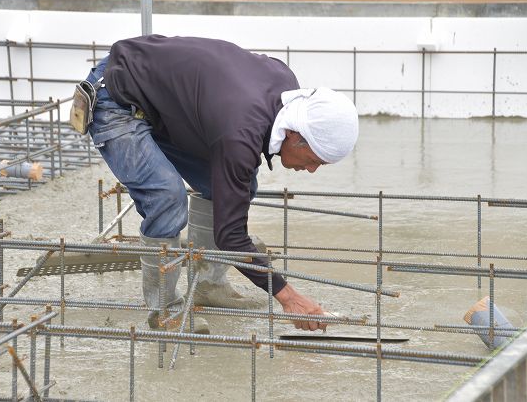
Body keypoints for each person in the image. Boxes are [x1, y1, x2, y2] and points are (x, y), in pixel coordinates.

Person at [83, 35, 358, 332]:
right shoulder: (240, 130)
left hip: (164, 103)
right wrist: (288, 297)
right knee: (166, 197)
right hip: (116, 96)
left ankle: (208, 286)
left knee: (236, 188)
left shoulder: (283, 85)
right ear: (294, 134)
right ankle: (165, 310)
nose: (312, 169)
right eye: (314, 159)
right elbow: (230, 235)